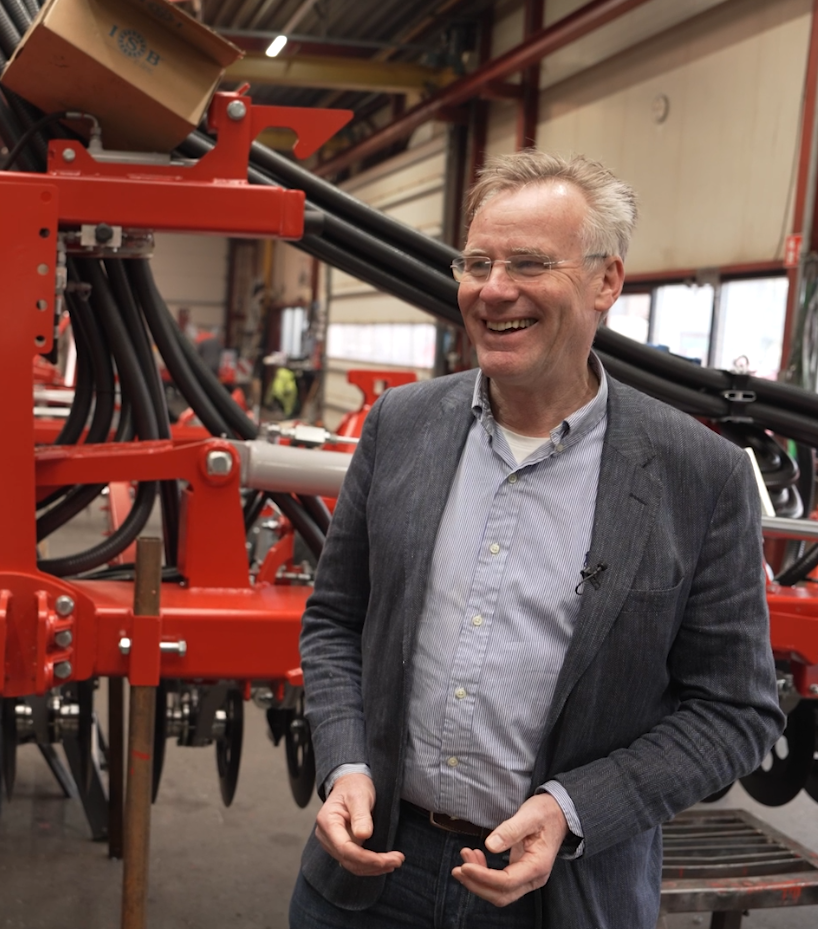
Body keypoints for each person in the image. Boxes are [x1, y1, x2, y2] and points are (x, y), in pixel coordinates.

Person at [290, 150, 784, 928]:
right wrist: (345, 760)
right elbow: (334, 621)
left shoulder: (699, 475)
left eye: (528, 263)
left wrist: (570, 808)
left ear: (605, 283)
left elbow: (734, 710)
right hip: (370, 876)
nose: (493, 290)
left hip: (557, 895)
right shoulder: (401, 426)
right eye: (477, 262)